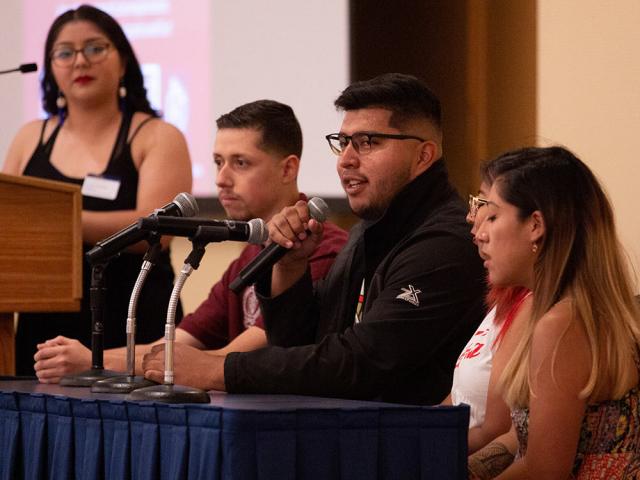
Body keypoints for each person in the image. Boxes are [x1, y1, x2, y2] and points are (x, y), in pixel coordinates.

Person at [142, 73, 487, 405]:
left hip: (411, 451)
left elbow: (363, 363)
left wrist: (220, 370)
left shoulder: (446, 243)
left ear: (423, 155)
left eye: (367, 142)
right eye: (343, 143)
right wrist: (290, 269)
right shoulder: (368, 231)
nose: (346, 161)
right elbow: (301, 343)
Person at [33, 99, 348, 383]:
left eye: (240, 163)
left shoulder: (321, 248)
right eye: (217, 162)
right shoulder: (249, 253)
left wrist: (94, 361)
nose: (221, 179)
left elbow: (230, 359)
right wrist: (88, 358)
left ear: (288, 169)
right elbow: (174, 347)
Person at [2, 5, 192, 375]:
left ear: (122, 61)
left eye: (94, 48)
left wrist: (56, 223)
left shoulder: (156, 136)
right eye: (65, 52)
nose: (79, 61)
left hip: (132, 317)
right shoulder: (29, 137)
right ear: (51, 67)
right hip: (44, 321)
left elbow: (157, 230)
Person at [468, 146, 640, 478]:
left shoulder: (561, 324)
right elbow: (525, 445)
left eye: (491, 216)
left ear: (535, 226)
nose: (478, 233)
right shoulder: (552, 310)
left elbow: (545, 473)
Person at [445, 181, 532, 454]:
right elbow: (456, 401)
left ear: (535, 226)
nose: (473, 220)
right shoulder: (506, 299)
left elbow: (501, 433)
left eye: (489, 212)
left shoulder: (543, 310)